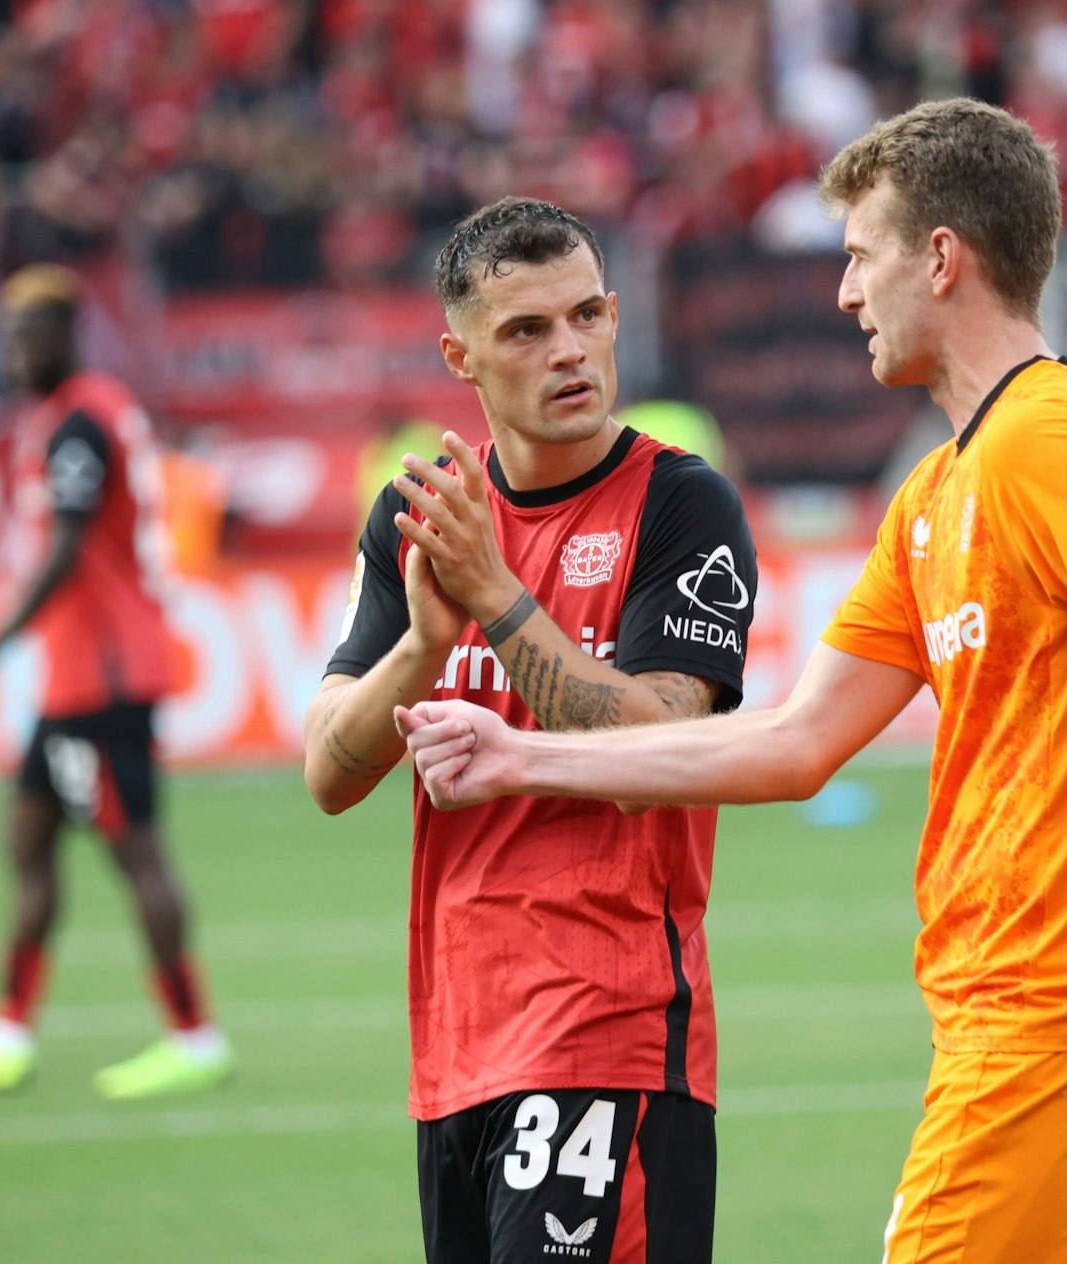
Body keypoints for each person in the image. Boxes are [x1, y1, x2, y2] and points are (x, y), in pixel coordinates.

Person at [398, 100, 1067, 1264]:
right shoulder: (933, 497)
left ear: (938, 259)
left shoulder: (1046, 438)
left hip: (1055, 1036)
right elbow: (794, 743)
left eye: (859, 255)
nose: (844, 293)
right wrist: (519, 758)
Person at [303, 197, 757, 1264]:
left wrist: (498, 602)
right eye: (525, 330)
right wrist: (419, 647)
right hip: (455, 1049)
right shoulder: (421, 515)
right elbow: (327, 769)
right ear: (459, 356)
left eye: (586, 315)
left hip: (611, 1034)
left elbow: (656, 748)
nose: (570, 350)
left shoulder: (682, 506)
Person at [0, 265, 232, 1100]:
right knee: (27, 840)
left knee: (136, 853)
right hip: (73, 679)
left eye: (28, 340)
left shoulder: (79, 426)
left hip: (101, 676)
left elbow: (65, 552)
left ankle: (194, 1036)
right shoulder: (76, 415)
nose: (15, 356)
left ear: (65, 336)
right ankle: (6, 1033)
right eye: (7, 341)